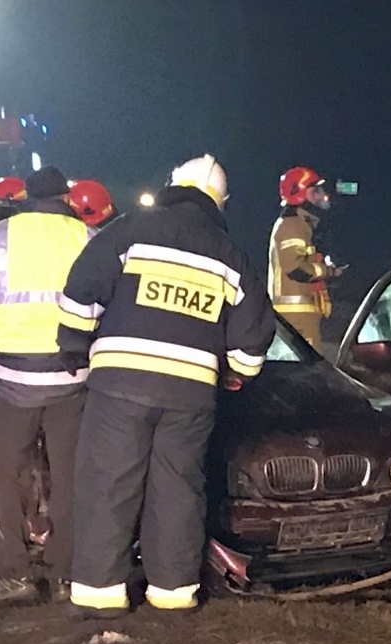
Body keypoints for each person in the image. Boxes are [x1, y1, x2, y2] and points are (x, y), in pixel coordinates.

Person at [59, 155, 274, 617]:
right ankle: (173, 593)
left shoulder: (131, 228)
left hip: (120, 384)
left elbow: (81, 286)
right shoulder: (229, 254)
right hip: (191, 395)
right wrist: (237, 373)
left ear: (172, 185)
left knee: (108, 483)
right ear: (222, 203)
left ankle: (100, 594)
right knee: (178, 490)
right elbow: (253, 337)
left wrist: (75, 343)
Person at [0, 166, 92, 605]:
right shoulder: (89, 239)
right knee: (71, 477)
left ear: (27, 196)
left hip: (11, 380)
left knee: (3, 474)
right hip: (74, 377)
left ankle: (17, 573)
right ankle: (70, 574)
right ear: (66, 198)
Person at [269, 165, 344, 349]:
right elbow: (294, 268)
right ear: (300, 194)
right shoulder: (293, 224)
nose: (321, 196)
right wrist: (329, 272)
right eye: (315, 191)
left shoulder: (302, 225)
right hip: (295, 317)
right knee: (308, 373)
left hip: (300, 316)